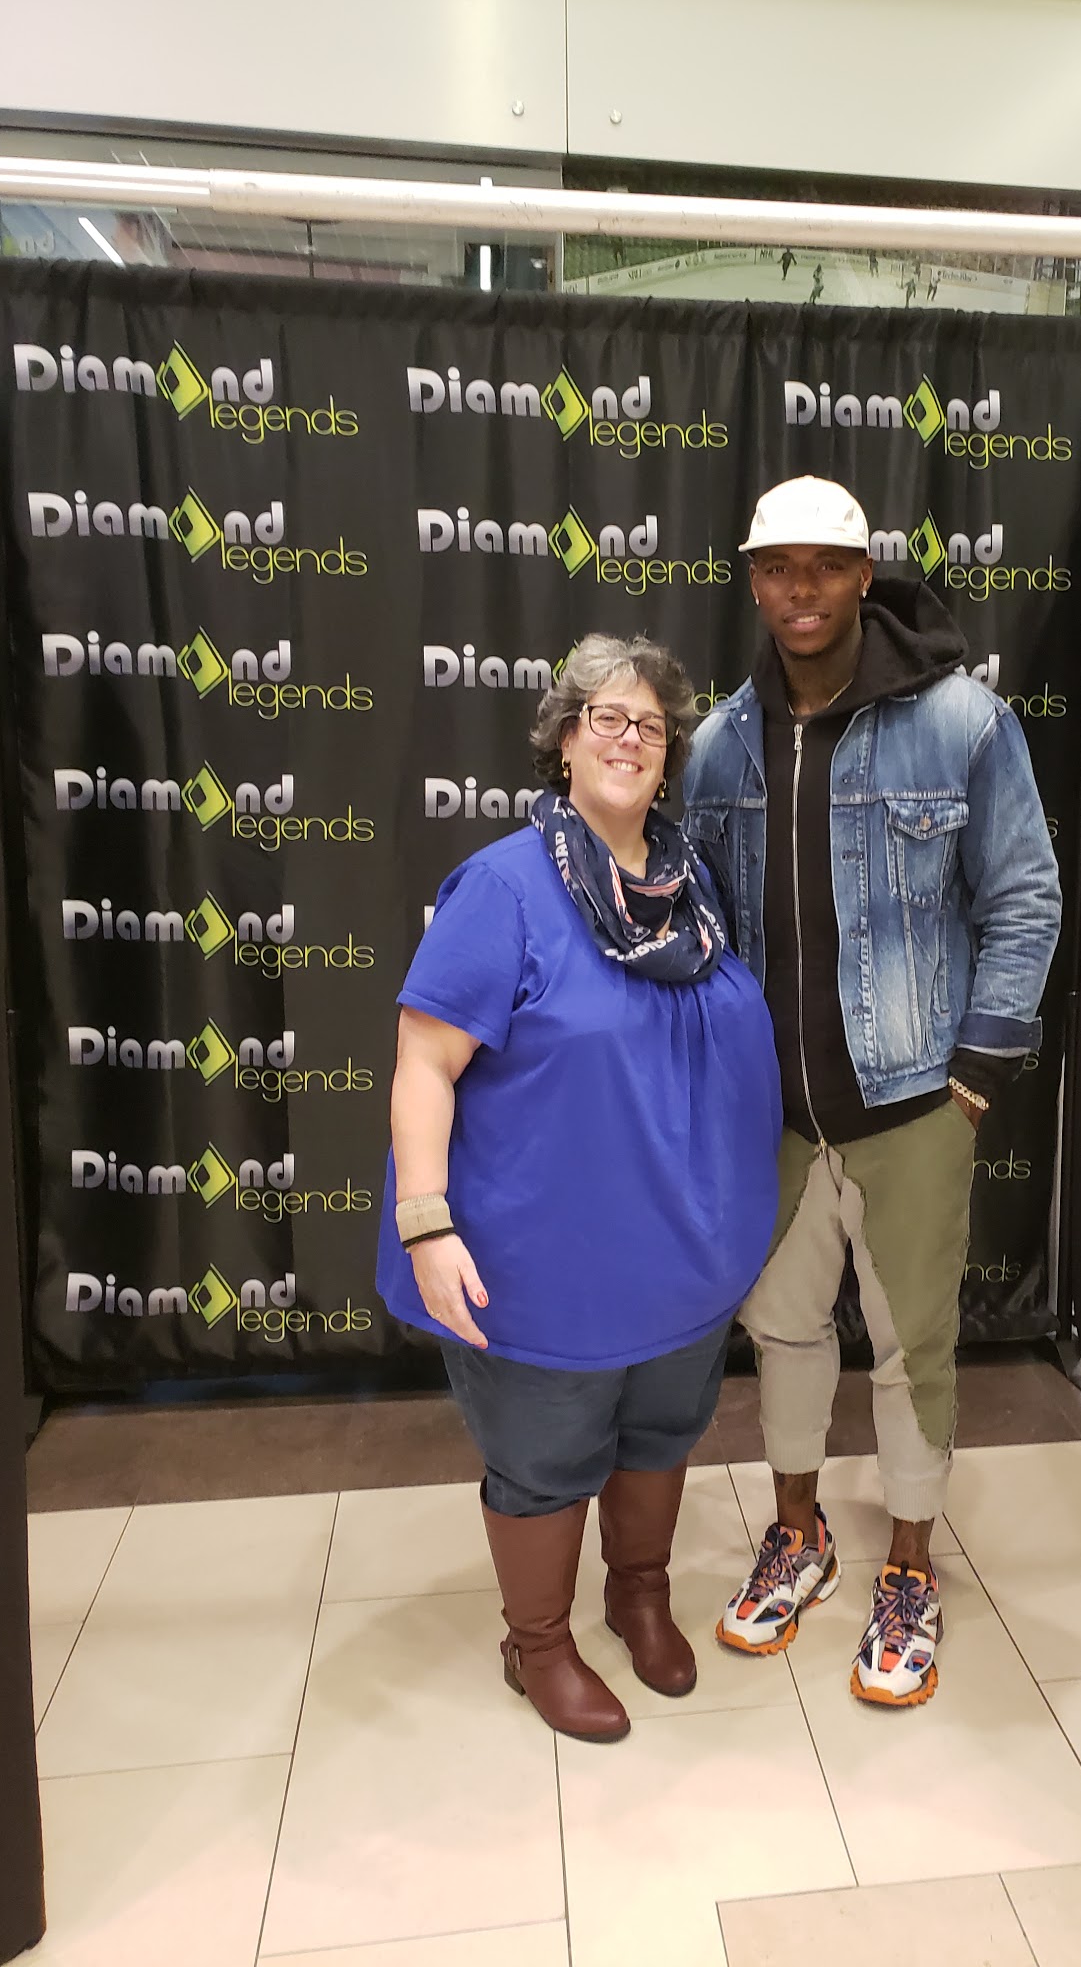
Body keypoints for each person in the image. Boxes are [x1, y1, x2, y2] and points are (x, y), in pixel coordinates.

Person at [684, 477, 1061, 1708]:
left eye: (823, 566)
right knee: (783, 1331)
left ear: (863, 576)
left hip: (912, 1106)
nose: (799, 590)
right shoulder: (719, 743)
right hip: (773, 1114)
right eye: (775, 567)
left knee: (912, 1349)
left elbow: (1025, 895)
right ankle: (796, 1533)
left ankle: (909, 1565)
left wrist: (977, 1067)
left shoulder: (961, 723)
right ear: (753, 581)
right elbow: (698, 923)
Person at [380, 636, 782, 1744]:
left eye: (651, 726)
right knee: (546, 1456)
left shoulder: (689, 885)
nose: (629, 739)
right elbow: (424, 1063)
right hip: (541, 1266)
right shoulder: (504, 888)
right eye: (606, 717)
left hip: (681, 1255)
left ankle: (639, 1594)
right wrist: (426, 1223)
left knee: (661, 1430)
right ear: (565, 740)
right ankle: (540, 1642)